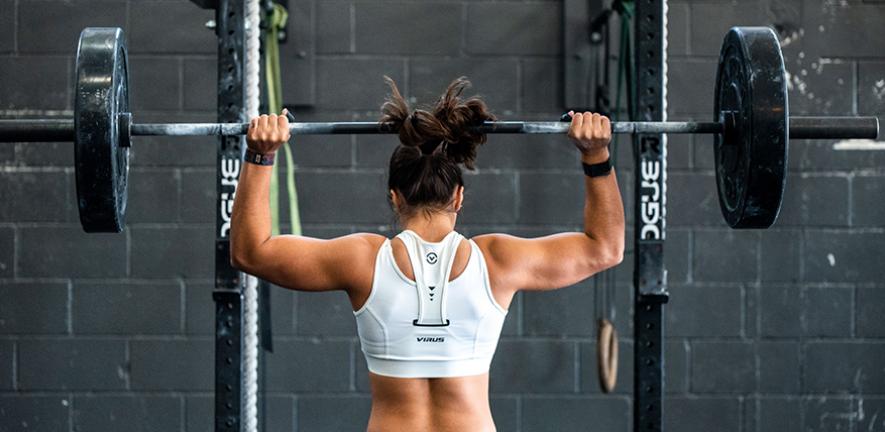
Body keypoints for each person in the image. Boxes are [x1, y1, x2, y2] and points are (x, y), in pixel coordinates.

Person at [230, 77, 625, 432]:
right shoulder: (497, 261)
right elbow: (604, 248)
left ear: (394, 197)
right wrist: (596, 156)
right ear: (459, 196)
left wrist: (260, 156)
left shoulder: (363, 260)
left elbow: (251, 252)